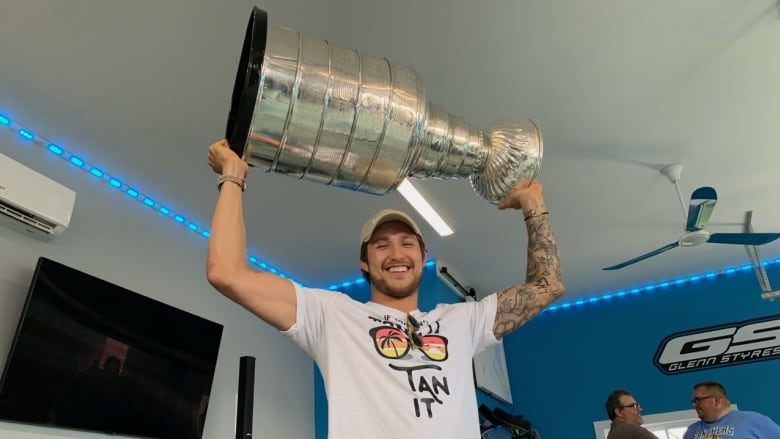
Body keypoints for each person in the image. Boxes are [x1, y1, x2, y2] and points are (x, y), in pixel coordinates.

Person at [205, 139, 565, 439]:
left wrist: (534, 205)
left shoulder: (463, 321)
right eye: (381, 245)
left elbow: (547, 286)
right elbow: (227, 273)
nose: (396, 253)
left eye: (408, 243)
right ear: (364, 261)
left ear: (422, 256)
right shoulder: (331, 315)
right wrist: (233, 178)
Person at [683, 381, 780, 439]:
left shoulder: (753, 420)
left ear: (716, 400)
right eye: (694, 401)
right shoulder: (691, 431)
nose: (695, 405)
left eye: (698, 400)